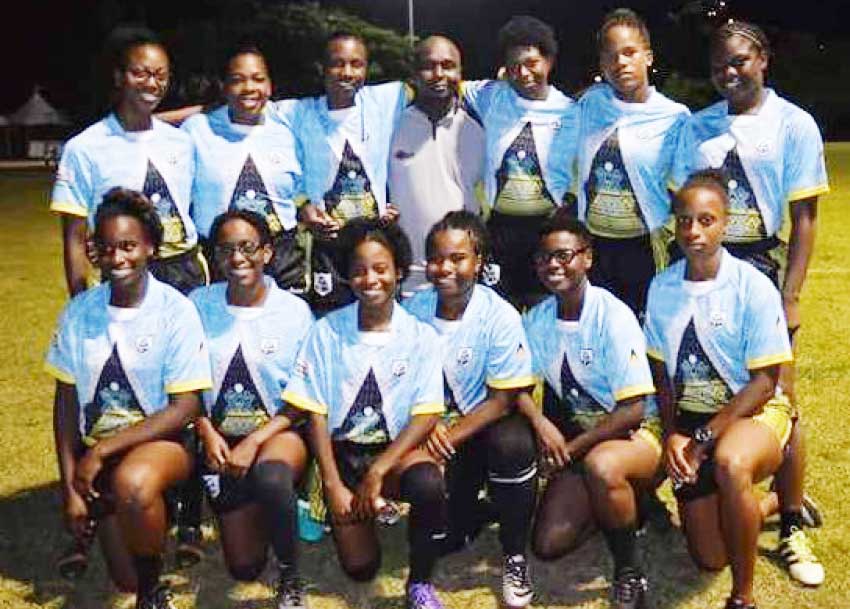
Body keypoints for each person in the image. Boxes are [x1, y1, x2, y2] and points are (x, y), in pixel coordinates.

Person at [671, 20, 828, 586]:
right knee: (718, 384)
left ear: (762, 59)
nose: (728, 72)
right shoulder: (698, 126)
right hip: (701, 267)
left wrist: (791, 295)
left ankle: (791, 522)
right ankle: (749, 498)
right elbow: (683, 204)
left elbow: (805, 217)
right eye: (718, 64)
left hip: (759, 265)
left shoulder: (793, 123)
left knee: (781, 397)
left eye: (739, 60)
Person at [46, 188, 211, 609]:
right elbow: (65, 404)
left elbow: (187, 406)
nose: (117, 257)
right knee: (124, 578)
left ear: (150, 247)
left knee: (134, 484)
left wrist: (102, 451)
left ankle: (152, 596)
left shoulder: (175, 310)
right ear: (95, 251)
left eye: (128, 246)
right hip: (98, 453)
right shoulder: (80, 312)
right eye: (106, 247)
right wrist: (70, 488)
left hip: (163, 446)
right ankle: (126, 514)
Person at [645, 170, 796, 609]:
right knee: (710, 556)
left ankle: (742, 597)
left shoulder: (752, 286)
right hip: (692, 422)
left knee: (731, 463)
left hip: (753, 413)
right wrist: (672, 434)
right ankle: (768, 505)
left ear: (725, 224)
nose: (693, 231)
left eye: (706, 220)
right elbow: (661, 374)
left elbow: (764, 382)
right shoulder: (662, 287)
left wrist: (702, 441)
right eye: (684, 220)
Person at [282, 219, 448, 609]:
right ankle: (345, 505)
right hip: (343, 455)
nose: (370, 279)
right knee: (361, 569)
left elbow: (426, 415)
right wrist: (333, 482)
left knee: (428, 483)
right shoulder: (327, 331)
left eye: (380, 268)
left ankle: (420, 582)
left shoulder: (420, 335)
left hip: (394, 455)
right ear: (346, 275)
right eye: (359, 270)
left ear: (399, 272)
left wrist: (378, 471)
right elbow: (314, 411)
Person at [520, 209, 659, 609]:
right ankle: (622, 506)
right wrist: (540, 423)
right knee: (548, 544)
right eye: (544, 257)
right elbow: (517, 388)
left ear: (587, 258)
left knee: (602, 466)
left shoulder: (612, 316)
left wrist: (570, 450)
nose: (553, 265)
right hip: (586, 441)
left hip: (640, 435)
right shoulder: (538, 319)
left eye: (564, 255)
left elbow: (633, 410)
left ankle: (629, 569)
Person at [404, 212, 537, 608]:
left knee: (513, 444)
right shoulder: (412, 310)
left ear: (478, 262)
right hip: (433, 431)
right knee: (448, 535)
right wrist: (425, 430)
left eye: (457, 258)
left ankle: (514, 554)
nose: (445, 268)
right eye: (435, 258)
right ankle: (473, 512)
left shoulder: (500, 315)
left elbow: (503, 399)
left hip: (480, 430)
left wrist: (444, 438)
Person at [188, 210, 313, 608]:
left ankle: (290, 575)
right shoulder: (198, 305)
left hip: (279, 432)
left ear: (267, 252)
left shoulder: (294, 311)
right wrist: (206, 431)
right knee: (243, 567)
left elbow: (303, 397)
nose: (237, 258)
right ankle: (264, 505)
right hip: (220, 440)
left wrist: (256, 441)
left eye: (247, 247)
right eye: (226, 249)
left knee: (271, 476)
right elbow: (183, 380)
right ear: (214, 256)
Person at [50, 26, 206, 297]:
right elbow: (74, 237)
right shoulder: (84, 148)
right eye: (140, 73)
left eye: (160, 75)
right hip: (125, 274)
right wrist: (80, 301)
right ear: (119, 77)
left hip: (186, 273)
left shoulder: (183, 142)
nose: (152, 83)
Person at [277, 32, 407, 313]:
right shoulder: (297, 112)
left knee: (379, 318)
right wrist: (304, 207)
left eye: (356, 64)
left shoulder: (385, 99)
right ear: (322, 68)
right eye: (338, 63)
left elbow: (437, 82)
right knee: (329, 319)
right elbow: (242, 105)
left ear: (366, 68)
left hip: (374, 242)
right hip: (329, 244)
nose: (347, 72)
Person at [572, 8, 689, 318]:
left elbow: (687, 189)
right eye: (611, 56)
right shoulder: (589, 104)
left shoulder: (675, 117)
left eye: (629, 52)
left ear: (648, 57)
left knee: (646, 333)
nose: (620, 62)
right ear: (602, 65)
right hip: (592, 247)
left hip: (644, 248)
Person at [462, 16, 579, 309]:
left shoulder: (571, 112)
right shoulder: (491, 96)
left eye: (531, 63)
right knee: (497, 309)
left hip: (546, 228)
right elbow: (450, 83)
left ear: (549, 61)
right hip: (499, 228)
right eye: (514, 66)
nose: (523, 73)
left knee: (545, 308)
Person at [182, 45, 306, 293]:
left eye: (258, 79)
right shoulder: (197, 129)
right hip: (222, 257)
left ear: (270, 85)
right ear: (224, 86)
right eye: (238, 80)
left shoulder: (288, 129)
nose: (249, 87)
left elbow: (304, 191)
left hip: (281, 256)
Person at [389, 36, 485, 295]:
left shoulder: (478, 127)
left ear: (460, 73)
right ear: (414, 74)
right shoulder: (390, 127)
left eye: (448, 66)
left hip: (460, 274)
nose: (439, 74)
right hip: (405, 275)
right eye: (428, 66)